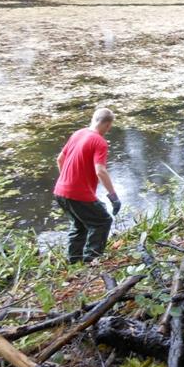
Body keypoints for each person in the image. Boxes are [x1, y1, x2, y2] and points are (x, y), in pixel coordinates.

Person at [54, 108, 121, 264]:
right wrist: (113, 196)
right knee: (103, 221)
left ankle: (74, 261)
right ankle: (92, 259)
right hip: (78, 194)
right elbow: (100, 171)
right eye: (109, 126)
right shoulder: (99, 142)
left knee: (79, 225)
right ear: (108, 125)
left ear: (93, 119)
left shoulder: (78, 134)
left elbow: (60, 159)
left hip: (60, 191)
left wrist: (66, 180)